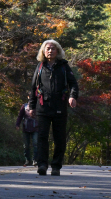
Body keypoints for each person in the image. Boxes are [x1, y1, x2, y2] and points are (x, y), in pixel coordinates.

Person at [28, 40, 78, 176]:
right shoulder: (40, 67)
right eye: (47, 48)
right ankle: (42, 165)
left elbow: (73, 84)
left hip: (60, 107)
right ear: (43, 51)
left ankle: (56, 166)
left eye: (53, 48)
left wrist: (72, 96)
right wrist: (31, 107)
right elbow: (33, 88)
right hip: (43, 108)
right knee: (42, 137)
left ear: (58, 51)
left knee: (59, 138)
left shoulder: (64, 67)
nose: (50, 51)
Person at [15, 95, 38, 167]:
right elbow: (20, 116)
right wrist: (17, 125)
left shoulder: (38, 106)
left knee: (36, 144)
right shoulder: (24, 106)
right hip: (26, 128)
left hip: (36, 128)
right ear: (28, 97)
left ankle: (35, 160)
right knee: (26, 145)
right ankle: (27, 160)